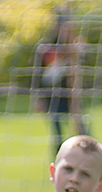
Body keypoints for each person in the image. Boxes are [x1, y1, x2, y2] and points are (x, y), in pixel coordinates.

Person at [32, 14, 89, 160]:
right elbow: (38, 77)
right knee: (57, 133)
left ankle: (86, 155)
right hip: (52, 97)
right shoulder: (47, 47)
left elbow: (84, 64)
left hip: (71, 96)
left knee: (82, 129)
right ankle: (60, 160)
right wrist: (39, 100)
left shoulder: (74, 46)